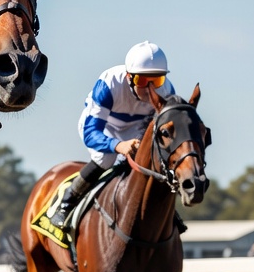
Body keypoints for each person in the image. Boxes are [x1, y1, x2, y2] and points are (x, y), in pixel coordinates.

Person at [48, 41, 177, 229]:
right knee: (105, 159)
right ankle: (66, 202)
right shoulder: (109, 83)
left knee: (151, 161)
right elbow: (91, 132)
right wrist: (118, 145)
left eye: (156, 80)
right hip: (104, 125)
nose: (149, 88)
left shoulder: (166, 92)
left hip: (137, 127)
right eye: (141, 81)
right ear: (128, 77)